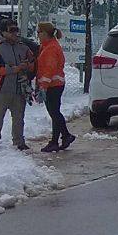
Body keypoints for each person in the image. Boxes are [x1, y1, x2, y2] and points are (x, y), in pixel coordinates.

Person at [0, 23, 35, 152]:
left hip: (19, 88)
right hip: (1, 88)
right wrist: (12, 69)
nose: (15, 33)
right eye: (11, 30)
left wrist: (27, 66)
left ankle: (19, 141)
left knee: (19, 117)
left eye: (16, 30)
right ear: (3, 33)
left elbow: (33, 62)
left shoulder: (23, 48)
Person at [35, 22, 74, 153]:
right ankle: (65, 136)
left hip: (53, 85)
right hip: (55, 84)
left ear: (45, 33)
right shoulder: (47, 46)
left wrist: (43, 86)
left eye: (38, 32)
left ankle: (56, 141)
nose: (37, 35)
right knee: (55, 113)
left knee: (54, 113)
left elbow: (49, 69)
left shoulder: (51, 48)